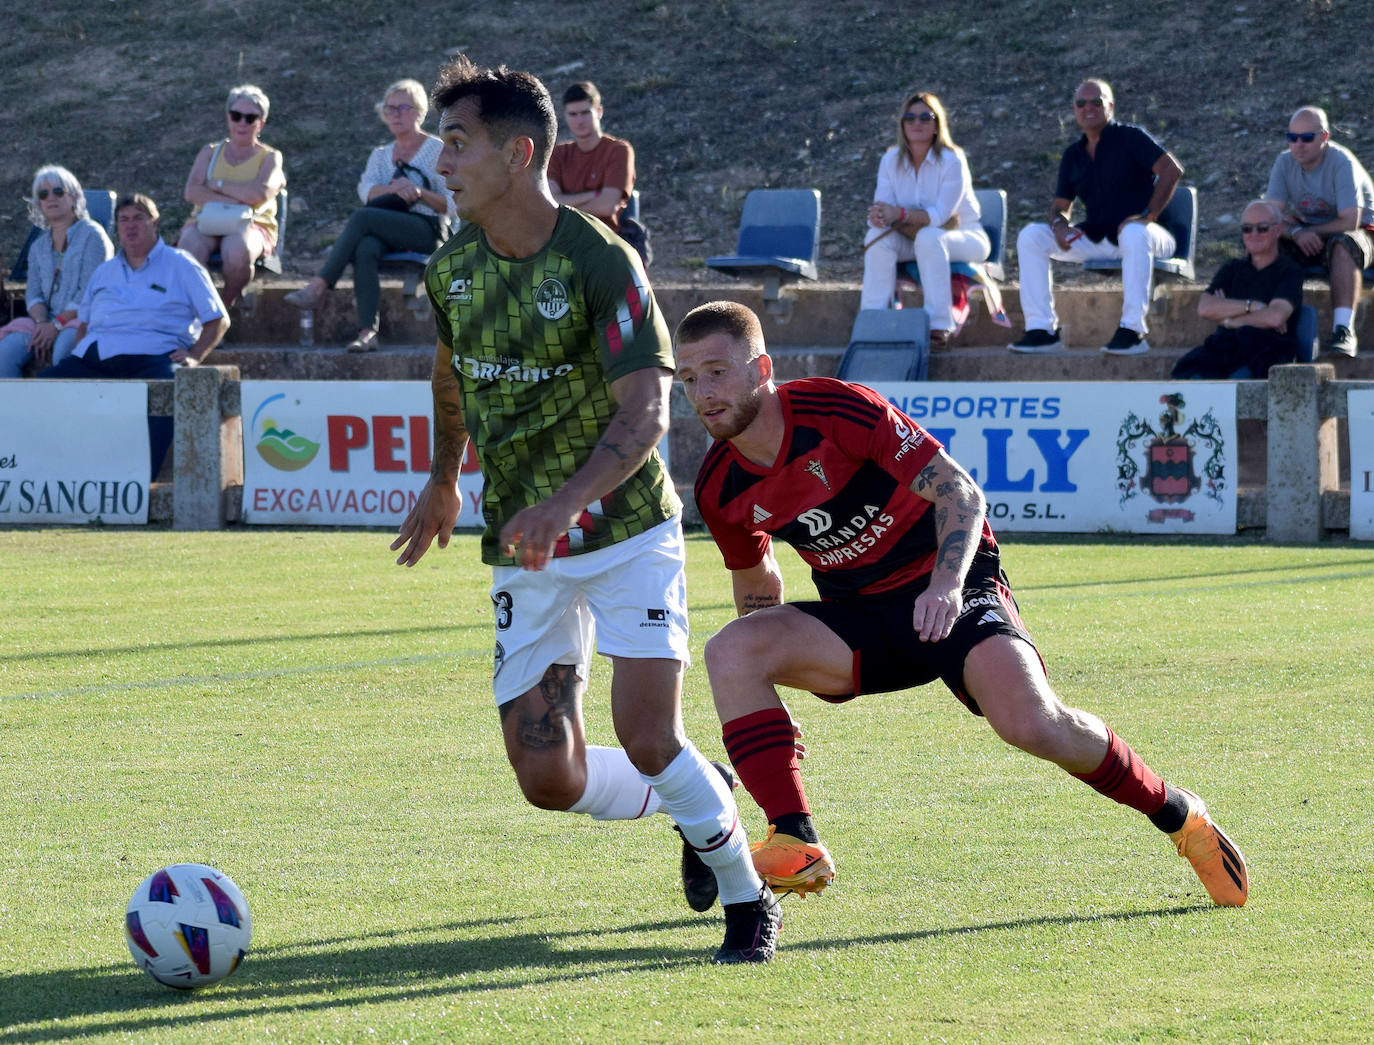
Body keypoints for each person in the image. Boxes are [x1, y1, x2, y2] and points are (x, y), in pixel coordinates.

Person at [390, 56, 780, 964]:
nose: (439, 163)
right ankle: (702, 796)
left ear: (519, 154)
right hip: (525, 545)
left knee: (646, 734)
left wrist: (565, 503)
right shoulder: (453, 270)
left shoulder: (602, 262)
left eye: (457, 144)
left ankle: (748, 898)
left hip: (624, 531)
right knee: (546, 777)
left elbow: (646, 411)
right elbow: (450, 377)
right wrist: (446, 477)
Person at [673, 299, 1250, 912]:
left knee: (1032, 723)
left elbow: (960, 492)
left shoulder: (836, 407)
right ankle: (795, 836)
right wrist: (770, 681)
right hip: (863, 619)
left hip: (952, 590)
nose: (703, 392)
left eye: (717, 371)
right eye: (688, 379)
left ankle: (1180, 816)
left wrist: (946, 586)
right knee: (732, 649)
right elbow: (755, 578)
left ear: (762, 368)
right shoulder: (717, 484)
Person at [1011, 79, 1184, 356]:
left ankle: (1132, 331)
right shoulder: (1072, 155)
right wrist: (1059, 225)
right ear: (1074, 109)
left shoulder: (1131, 137)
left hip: (1150, 236)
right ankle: (1041, 330)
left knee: (1133, 233)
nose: (1088, 108)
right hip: (1099, 237)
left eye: (1096, 101)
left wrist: (1147, 215)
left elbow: (1171, 170)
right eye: (1081, 103)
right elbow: (1059, 206)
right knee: (1032, 235)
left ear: (1111, 106)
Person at [284, 79, 456, 353]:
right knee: (364, 247)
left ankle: (319, 285)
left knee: (361, 219)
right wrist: (391, 190)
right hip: (385, 228)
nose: (396, 114)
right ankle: (367, 332)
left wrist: (419, 192)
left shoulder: (437, 150)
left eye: (403, 107)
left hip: (427, 229)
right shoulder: (379, 156)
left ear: (420, 111)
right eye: (390, 109)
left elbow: (451, 203)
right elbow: (366, 190)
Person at [40, 194, 229, 380]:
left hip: (155, 357)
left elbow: (218, 319)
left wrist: (195, 355)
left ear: (154, 223)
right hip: (98, 359)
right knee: (42, 389)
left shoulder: (182, 264)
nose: (130, 225)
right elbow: (85, 324)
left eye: (138, 218)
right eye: (124, 219)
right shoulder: (104, 272)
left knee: (167, 395)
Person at [859, 91, 989, 348]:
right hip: (912, 237)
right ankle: (873, 318)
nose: (916, 123)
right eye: (909, 117)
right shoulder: (889, 160)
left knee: (930, 237)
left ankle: (940, 325)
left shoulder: (953, 160)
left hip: (966, 236)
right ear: (902, 124)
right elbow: (883, 207)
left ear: (936, 123)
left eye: (924, 117)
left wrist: (899, 214)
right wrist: (879, 216)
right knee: (876, 237)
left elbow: (941, 217)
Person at [1264, 105, 1374, 359]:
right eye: (1292, 138)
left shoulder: (1340, 161)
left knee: (1344, 244)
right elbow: (1271, 215)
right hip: (1314, 233)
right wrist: (1295, 231)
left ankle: (1343, 330)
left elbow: (1350, 220)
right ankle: (1270, 321)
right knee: (1267, 238)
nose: (1298, 145)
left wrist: (1303, 230)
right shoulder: (1284, 162)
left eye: (1306, 138)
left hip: (1363, 233)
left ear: (1324, 137)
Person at [176, 85, 284, 308]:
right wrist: (237, 199)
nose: (242, 123)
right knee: (188, 249)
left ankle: (225, 306)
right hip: (207, 220)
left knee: (236, 251)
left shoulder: (270, 158)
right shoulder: (209, 152)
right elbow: (192, 192)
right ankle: (205, 309)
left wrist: (217, 185)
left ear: (260, 124)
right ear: (228, 118)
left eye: (250, 118)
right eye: (236, 116)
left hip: (251, 224)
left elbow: (259, 193)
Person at [0, 166, 112, 378]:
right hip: (45, 322)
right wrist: (43, 324)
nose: (51, 197)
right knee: (4, 353)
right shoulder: (38, 246)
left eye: (58, 191)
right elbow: (33, 294)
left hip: (84, 320)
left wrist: (57, 324)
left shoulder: (93, 236)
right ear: (39, 204)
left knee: (64, 350)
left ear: (73, 196)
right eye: (43, 194)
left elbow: (89, 292)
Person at [1172, 201, 1302, 379]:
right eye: (1247, 229)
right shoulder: (1232, 269)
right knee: (1187, 376)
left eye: (1262, 228)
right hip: (1226, 348)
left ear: (1278, 230)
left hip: (1267, 351)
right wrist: (1254, 306)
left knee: (1240, 381)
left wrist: (1229, 320)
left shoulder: (1289, 272)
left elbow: (1274, 317)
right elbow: (1205, 308)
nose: (1254, 234)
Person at [547, 82, 634, 232]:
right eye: (573, 114)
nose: (579, 120)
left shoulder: (618, 150)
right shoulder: (558, 154)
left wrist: (563, 208)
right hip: (565, 237)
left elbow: (607, 206)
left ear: (599, 111)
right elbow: (550, 202)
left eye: (585, 113)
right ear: (565, 116)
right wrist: (594, 194)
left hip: (606, 237)